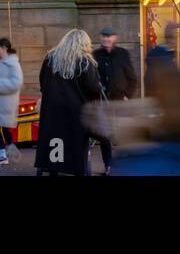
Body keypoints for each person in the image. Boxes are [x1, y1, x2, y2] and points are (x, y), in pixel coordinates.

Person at [34, 29, 103, 176]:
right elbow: (93, 89)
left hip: (52, 111)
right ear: (84, 44)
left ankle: (53, 169)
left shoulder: (50, 59)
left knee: (54, 142)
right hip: (75, 112)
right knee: (75, 147)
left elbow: (42, 82)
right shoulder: (85, 62)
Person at [90, 27, 136, 174]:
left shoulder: (122, 54)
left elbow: (132, 78)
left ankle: (123, 165)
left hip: (119, 102)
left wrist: (127, 95)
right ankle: (108, 165)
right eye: (104, 36)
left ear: (115, 38)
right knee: (104, 136)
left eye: (109, 36)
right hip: (102, 102)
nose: (106, 39)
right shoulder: (95, 55)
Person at [0, 37, 24, 165]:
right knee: (1, 128)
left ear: (4, 48)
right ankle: (9, 149)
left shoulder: (13, 63)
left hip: (5, 102)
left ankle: (3, 154)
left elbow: (17, 82)